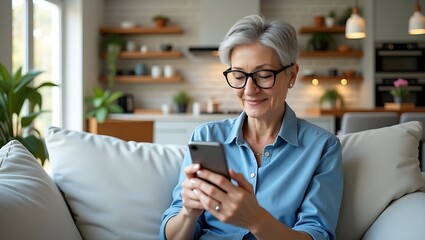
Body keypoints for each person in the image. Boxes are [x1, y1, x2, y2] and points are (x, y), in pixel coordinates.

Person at [160, 15, 343, 240]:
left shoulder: (322, 147)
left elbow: (317, 234)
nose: (249, 90)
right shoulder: (207, 136)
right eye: (238, 75)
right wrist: (188, 213)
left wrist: (255, 220)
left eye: (264, 75)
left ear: (291, 75)